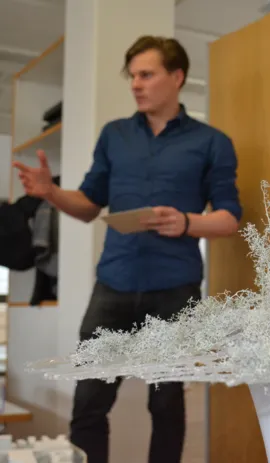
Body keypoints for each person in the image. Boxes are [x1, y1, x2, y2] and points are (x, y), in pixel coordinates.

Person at [13, 36, 242, 463]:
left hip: (176, 290)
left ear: (177, 77)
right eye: (132, 76)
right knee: (88, 404)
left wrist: (187, 222)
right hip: (113, 284)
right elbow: (88, 206)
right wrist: (51, 193)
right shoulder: (114, 135)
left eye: (146, 75)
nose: (135, 84)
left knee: (167, 406)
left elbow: (230, 218)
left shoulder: (212, 142)